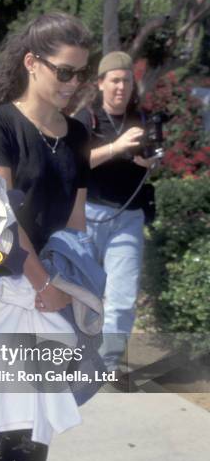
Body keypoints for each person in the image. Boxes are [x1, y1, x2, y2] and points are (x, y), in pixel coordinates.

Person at [0, 12, 92, 461]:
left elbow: (74, 220)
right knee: (18, 413)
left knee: (39, 413)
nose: (73, 85)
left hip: (49, 285)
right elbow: (0, 215)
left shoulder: (80, 134)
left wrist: (66, 281)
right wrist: (42, 283)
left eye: (80, 76)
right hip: (3, 286)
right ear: (31, 62)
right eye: (64, 73)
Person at [74, 51, 157, 376]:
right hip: (88, 214)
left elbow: (152, 156)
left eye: (127, 80)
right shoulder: (86, 119)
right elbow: (74, 163)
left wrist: (150, 161)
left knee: (122, 296)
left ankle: (107, 365)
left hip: (128, 217)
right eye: (115, 80)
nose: (122, 87)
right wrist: (117, 147)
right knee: (82, 293)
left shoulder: (143, 119)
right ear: (101, 83)